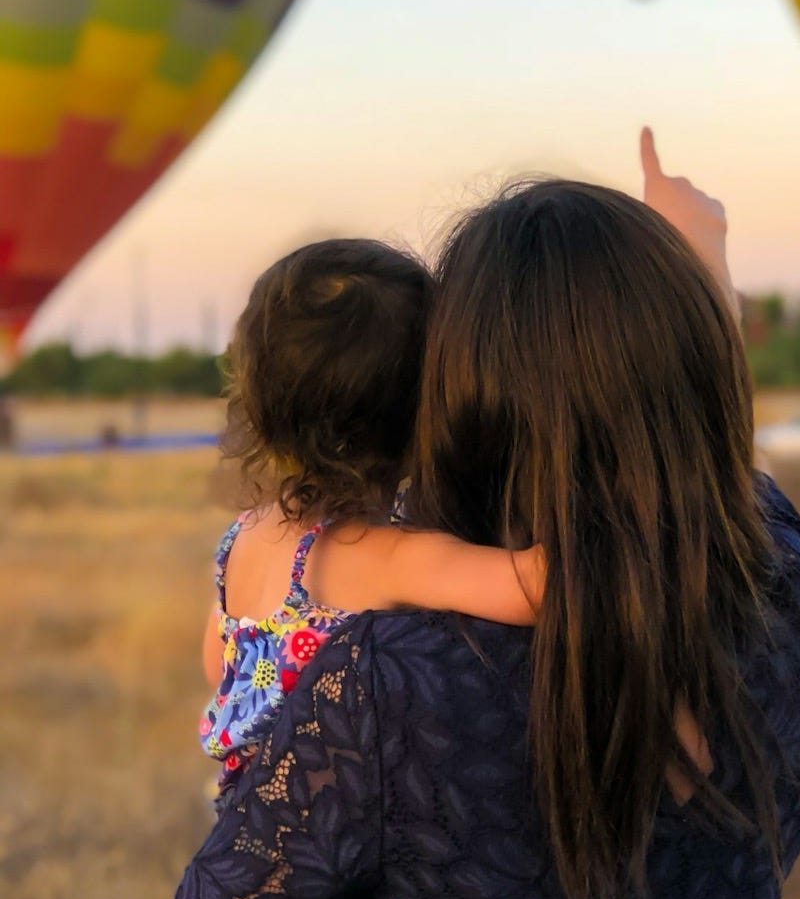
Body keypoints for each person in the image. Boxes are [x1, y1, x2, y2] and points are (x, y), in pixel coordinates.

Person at [176, 132, 800, 899]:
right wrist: (693, 265)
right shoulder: (783, 590)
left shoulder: (381, 685)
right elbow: (695, 464)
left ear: (462, 406)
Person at [200, 238, 543, 798]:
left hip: (247, 831)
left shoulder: (244, 536)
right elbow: (543, 585)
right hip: (338, 856)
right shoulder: (392, 558)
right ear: (431, 403)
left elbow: (221, 667)